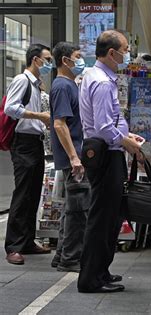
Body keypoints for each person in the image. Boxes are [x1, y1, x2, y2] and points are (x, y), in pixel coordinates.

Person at [78, 30, 142, 293]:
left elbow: (108, 122)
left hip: (107, 149)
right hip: (105, 153)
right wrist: (126, 142)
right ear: (112, 53)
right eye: (125, 50)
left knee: (111, 216)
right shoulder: (102, 82)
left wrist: (125, 135)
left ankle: (101, 271)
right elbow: (104, 127)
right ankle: (90, 279)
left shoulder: (98, 77)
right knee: (102, 217)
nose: (128, 55)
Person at [4, 44, 52, 265]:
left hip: (35, 142)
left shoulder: (35, 84)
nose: (49, 64)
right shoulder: (21, 81)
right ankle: (13, 246)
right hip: (22, 143)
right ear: (35, 60)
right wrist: (39, 116)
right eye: (47, 59)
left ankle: (27, 241)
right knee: (23, 193)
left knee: (33, 193)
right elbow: (10, 108)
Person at [49, 41, 89, 273]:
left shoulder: (70, 84)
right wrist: (74, 157)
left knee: (71, 208)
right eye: (77, 56)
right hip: (74, 158)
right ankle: (71, 259)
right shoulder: (62, 86)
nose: (80, 60)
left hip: (75, 155)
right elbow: (59, 124)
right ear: (65, 60)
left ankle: (62, 254)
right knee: (77, 209)